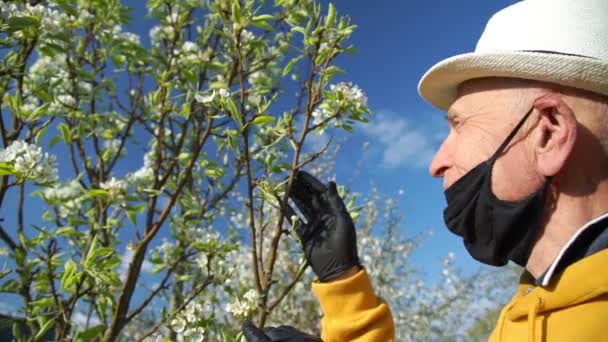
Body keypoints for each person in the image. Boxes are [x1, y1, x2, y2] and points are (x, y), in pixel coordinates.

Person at [243, 0, 608, 341]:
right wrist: (343, 281)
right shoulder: (534, 307)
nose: (436, 163)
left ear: (548, 133)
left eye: (459, 125)